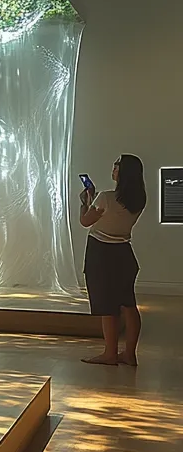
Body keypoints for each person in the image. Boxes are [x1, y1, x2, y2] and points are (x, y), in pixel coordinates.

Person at [79, 154, 147, 366]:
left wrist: (85, 202)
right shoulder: (139, 199)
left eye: (117, 165)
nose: (113, 167)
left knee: (107, 306)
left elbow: (85, 221)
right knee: (128, 304)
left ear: (122, 172)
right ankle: (129, 353)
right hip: (124, 253)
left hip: (102, 254)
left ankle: (110, 354)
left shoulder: (105, 198)